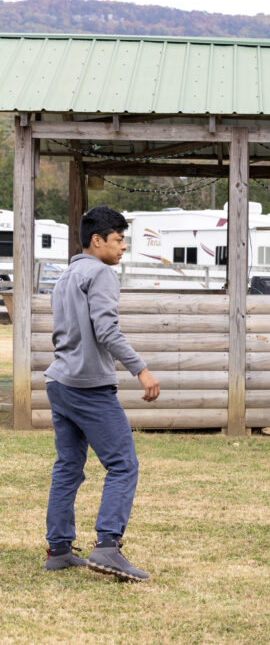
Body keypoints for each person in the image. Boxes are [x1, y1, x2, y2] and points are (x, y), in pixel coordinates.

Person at [43, 206, 160, 582]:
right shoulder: (101, 273)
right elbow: (107, 332)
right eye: (119, 239)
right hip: (88, 387)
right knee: (123, 463)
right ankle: (107, 547)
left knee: (67, 468)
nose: (123, 247)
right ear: (98, 241)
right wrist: (141, 369)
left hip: (59, 382)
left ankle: (59, 550)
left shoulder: (65, 277)